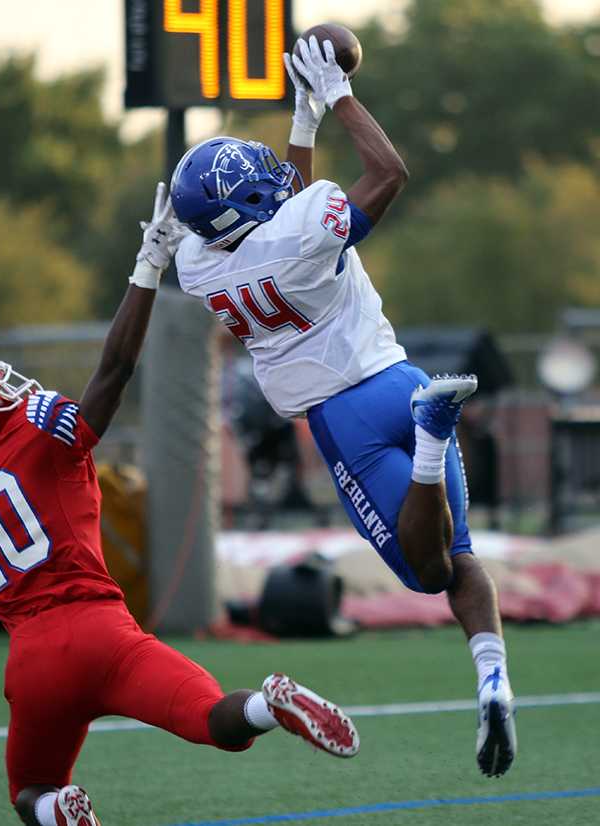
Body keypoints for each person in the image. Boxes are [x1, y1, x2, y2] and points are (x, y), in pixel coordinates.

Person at [0, 183, 360, 826]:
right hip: (104, 632)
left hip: (33, 661)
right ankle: (267, 706)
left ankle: (62, 810)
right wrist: (148, 265)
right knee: (216, 720)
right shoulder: (36, 435)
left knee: (30, 792)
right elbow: (113, 372)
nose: (10, 391)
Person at [169, 37, 516, 778]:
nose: (271, 177)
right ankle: (493, 680)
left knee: (427, 575)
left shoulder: (199, 263)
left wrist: (302, 121)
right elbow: (387, 173)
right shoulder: (297, 233)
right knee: (456, 561)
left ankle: (431, 441)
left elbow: (283, 211)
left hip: (343, 420)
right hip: (396, 378)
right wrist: (334, 97)